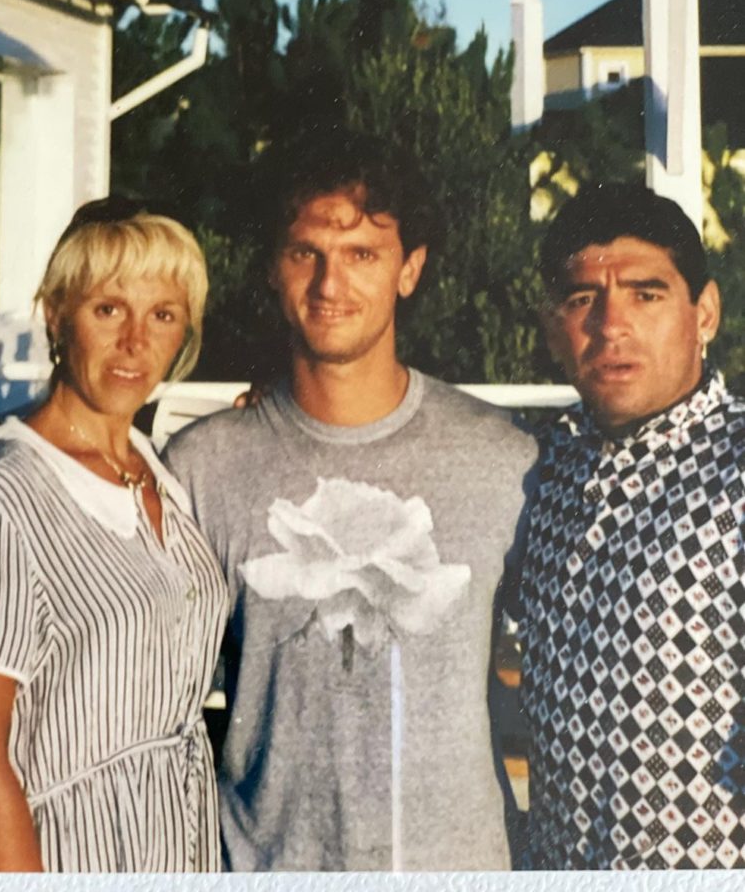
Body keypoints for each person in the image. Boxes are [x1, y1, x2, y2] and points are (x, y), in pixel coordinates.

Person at [164, 131, 537, 871]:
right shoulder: (202, 466)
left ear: (410, 269)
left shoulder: (505, 460)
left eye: (362, 254)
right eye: (305, 252)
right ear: (272, 267)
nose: (329, 285)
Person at [0, 200, 228, 872]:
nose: (135, 342)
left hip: (168, 849)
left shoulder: (160, 474)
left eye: (163, 315)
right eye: (108, 309)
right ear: (57, 316)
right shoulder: (5, 498)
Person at [517, 183, 745, 869]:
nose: (611, 325)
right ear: (552, 327)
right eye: (582, 299)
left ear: (704, 313)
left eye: (646, 295)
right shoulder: (538, 465)